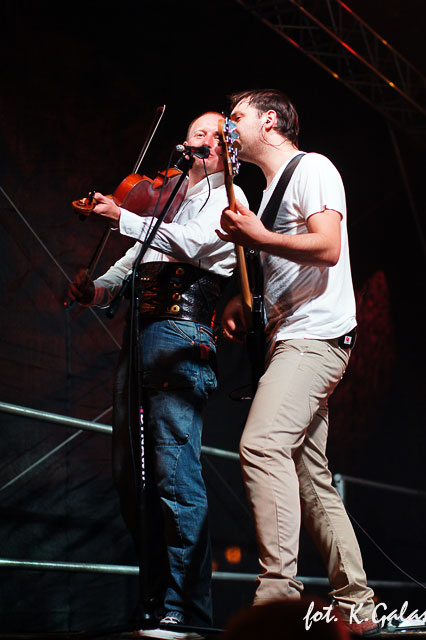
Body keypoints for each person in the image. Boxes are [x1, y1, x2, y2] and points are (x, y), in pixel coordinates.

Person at [68, 111, 249, 640]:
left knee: (174, 474)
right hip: (142, 333)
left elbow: (189, 244)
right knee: (134, 475)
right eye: (195, 131)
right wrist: (97, 289)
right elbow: (136, 260)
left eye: (211, 133)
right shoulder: (171, 201)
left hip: (181, 334)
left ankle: (185, 609)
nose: (200, 138)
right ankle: (155, 601)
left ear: (227, 150)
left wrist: (121, 215)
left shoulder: (228, 197)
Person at [217, 89, 379, 636]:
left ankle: (277, 599)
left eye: (236, 117)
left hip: (316, 338)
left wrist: (259, 236)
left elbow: (327, 246)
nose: (228, 127)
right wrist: (243, 303)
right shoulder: (267, 196)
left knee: (262, 444)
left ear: (269, 120)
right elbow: (282, 268)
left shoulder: (313, 168)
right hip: (291, 339)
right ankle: (358, 608)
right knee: (312, 479)